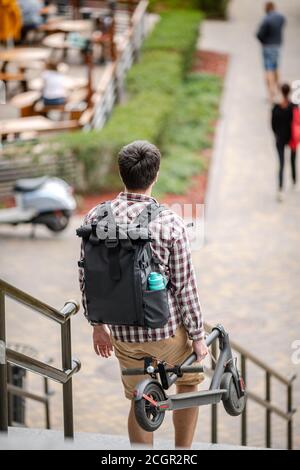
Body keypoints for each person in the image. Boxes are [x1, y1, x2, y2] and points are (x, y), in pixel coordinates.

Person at [79, 141, 208, 448]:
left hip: (122, 335)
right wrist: (199, 336)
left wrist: (98, 326)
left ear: (121, 173)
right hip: (164, 331)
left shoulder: (95, 217)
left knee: (140, 400)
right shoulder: (170, 222)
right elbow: (184, 287)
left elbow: (86, 276)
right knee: (189, 382)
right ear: (156, 175)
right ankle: (181, 453)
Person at [272, 84, 298, 201]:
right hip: (292, 137)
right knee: (293, 160)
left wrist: (277, 134)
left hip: (280, 139)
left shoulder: (276, 108)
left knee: (281, 163)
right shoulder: (294, 107)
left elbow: (273, 125)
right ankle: (294, 181)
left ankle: (280, 189)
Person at [256, 2, 286, 101]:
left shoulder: (266, 19)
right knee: (276, 68)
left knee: (268, 70)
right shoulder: (281, 17)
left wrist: (264, 42)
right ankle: (279, 91)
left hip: (268, 46)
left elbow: (259, 35)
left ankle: (270, 93)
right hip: (277, 46)